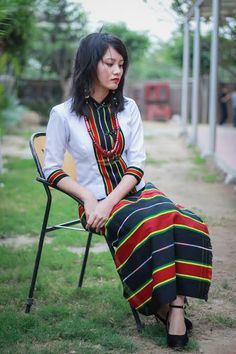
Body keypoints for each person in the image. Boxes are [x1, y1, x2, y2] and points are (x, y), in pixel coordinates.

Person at [43, 32, 212, 349]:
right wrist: (91, 198)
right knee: (154, 224)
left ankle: (173, 305)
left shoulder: (128, 108)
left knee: (182, 219)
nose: (117, 70)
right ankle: (167, 307)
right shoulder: (62, 114)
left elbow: (137, 165)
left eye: (121, 64)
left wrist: (110, 200)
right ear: (89, 65)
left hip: (135, 191)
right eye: (109, 63)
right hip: (95, 203)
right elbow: (50, 168)